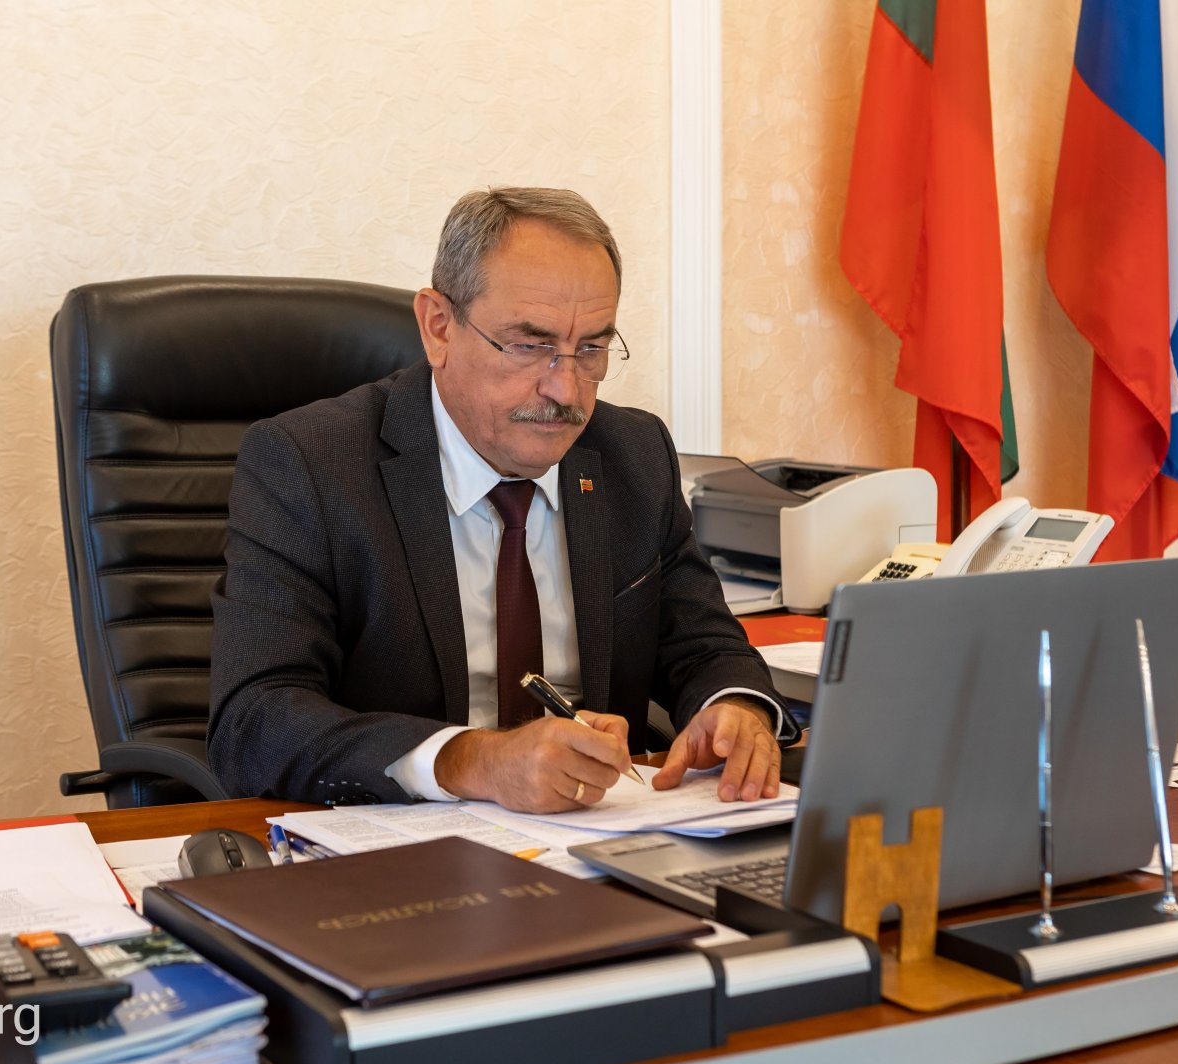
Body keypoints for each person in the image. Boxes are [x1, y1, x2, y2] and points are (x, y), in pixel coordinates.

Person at [209, 187, 795, 814]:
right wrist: (473, 760)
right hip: (398, 836)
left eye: (591, 348)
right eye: (529, 344)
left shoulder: (632, 453)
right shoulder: (310, 462)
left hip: (598, 833)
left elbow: (704, 645)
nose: (565, 389)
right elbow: (254, 718)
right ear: (439, 327)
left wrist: (735, 708)